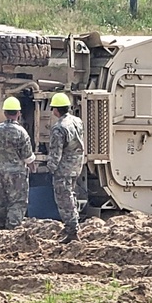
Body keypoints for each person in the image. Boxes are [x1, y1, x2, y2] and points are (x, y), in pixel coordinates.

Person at [0, 96, 35, 230]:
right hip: (16, 173)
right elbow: (27, 156)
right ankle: (13, 228)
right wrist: (33, 167)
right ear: (18, 113)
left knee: (0, 199)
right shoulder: (22, 132)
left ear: (5, 113)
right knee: (17, 201)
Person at [48, 92, 85, 244]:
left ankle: (72, 230)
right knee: (71, 194)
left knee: (64, 199)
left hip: (63, 168)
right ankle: (73, 224)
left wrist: (51, 167)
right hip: (77, 164)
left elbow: (56, 152)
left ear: (56, 110)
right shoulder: (77, 121)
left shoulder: (58, 128)